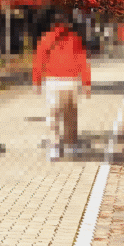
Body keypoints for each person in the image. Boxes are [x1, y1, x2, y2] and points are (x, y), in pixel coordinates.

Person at [33, 9, 92, 161]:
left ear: (53, 23)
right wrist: (86, 82)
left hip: (52, 81)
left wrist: (37, 82)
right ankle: (71, 147)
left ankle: (54, 147)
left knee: (53, 115)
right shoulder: (75, 39)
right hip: (70, 81)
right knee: (70, 115)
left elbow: (39, 61)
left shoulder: (46, 39)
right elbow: (83, 61)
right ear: (67, 23)